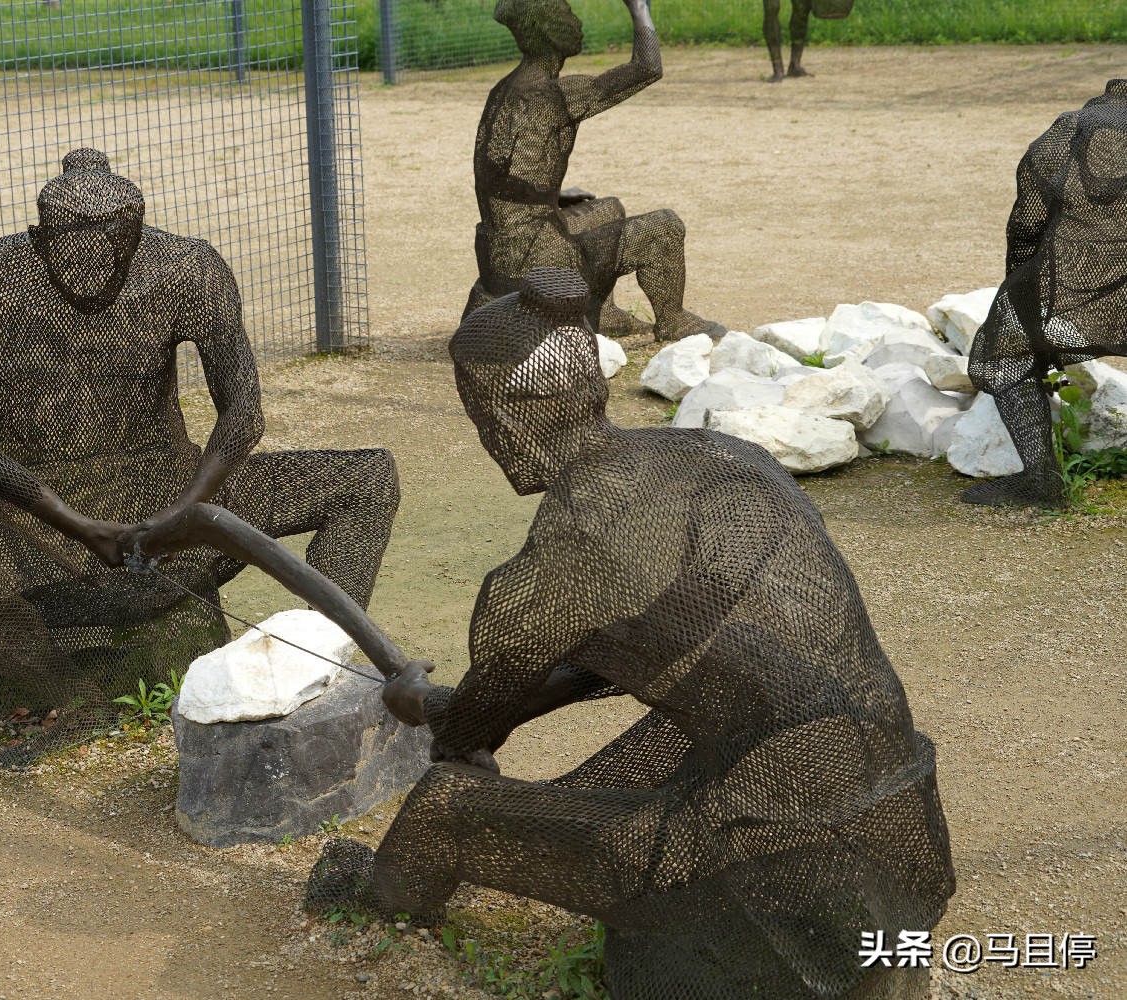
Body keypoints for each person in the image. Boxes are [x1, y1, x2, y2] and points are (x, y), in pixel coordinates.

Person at [307, 268, 953, 1000]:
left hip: (769, 827)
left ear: (502, 421)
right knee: (686, 728)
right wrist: (496, 702)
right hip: (883, 772)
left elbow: (464, 737)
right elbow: (663, 639)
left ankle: (375, 903)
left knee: (444, 808)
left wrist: (423, 702)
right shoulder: (729, 461)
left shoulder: (551, 563)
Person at [0, 149, 399, 762]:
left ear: (137, 230)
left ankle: (316, 659)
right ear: (41, 232)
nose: (88, 263)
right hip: (41, 529)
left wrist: (183, 512)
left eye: (108, 242)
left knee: (366, 479)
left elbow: (242, 415)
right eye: (70, 243)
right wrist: (81, 525)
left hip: (174, 496)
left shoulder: (183, 269)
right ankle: (71, 691)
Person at [465, 0, 724, 342]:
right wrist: (639, 8)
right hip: (536, 259)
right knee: (665, 227)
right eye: (568, 15)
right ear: (549, 32)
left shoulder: (505, 89)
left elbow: (494, 171)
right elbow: (647, 68)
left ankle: (605, 313)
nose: (578, 22)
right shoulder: (554, 94)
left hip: (499, 256)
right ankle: (673, 322)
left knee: (609, 209)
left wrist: (548, 196)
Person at [962, 80, 1127, 509]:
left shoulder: (1065, 134)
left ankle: (1042, 482)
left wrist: (1023, 310)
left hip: (1075, 299)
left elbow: (1024, 232)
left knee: (999, 356)